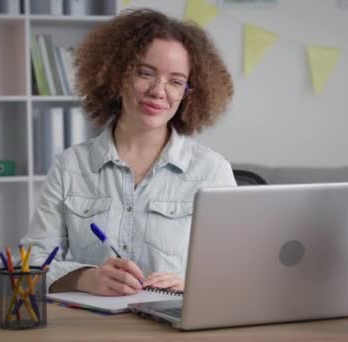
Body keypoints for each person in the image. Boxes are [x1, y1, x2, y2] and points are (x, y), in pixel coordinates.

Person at [22, 8, 236, 297]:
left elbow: (234, 272)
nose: (159, 91)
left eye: (175, 81)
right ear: (117, 74)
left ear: (190, 92)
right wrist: (85, 278)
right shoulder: (70, 166)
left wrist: (193, 287)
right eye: (146, 73)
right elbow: (30, 266)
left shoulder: (212, 171)